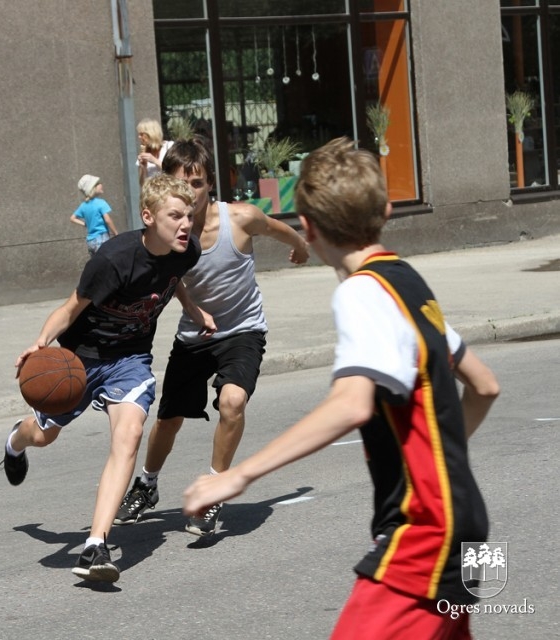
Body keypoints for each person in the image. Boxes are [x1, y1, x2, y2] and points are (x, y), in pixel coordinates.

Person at [183, 137, 500, 638]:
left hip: (421, 534)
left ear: (308, 228)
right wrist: (442, 454)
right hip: (466, 520)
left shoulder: (362, 292)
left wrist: (237, 475)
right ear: (387, 211)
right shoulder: (408, 283)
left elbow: (351, 404)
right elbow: (483, 385)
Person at [0, 173, 202, 583]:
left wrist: (195, 311)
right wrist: (41, 342)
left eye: (190, 216)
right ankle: (14, 442)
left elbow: (172, 279)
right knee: (42, 436)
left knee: (128, 437)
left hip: (130, 359)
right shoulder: (113, 259)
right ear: (149, 217)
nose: (186, 225)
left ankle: (95, 544)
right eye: (175, 216)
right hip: (80, 360)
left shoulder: (186, 251)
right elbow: (70, 308)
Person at [115, 135, 310, 536]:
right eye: (181, 183)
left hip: (242, 330)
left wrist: (302, 247)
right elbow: (168, 280)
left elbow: (277, 228)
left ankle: (214, 490)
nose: (191, 192)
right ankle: (147, 485)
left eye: (198, 182)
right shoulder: (168, 233)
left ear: (210, 184)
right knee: (168, 419)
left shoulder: (240, 218)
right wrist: (192, 309)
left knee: (232, 401)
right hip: (194, 334)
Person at [71, 174, 119, 256]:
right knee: (106, 264)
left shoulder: (83, 206)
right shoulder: (101, 203)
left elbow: (72, 218)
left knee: (97, 266)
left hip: (90, 241)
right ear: (92, 188)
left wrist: (85, 224)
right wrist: (116, 233)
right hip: (101, 238)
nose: (101, 184)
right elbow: (107, 220)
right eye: (97, 183)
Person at [137, 118, 174, 187]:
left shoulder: (169, 147)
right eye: (139, 134)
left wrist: (154, 160)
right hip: (154, 195)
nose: (139, 137)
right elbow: (142, 184)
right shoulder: (143, 152)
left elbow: (175, 171)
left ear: (151, 134)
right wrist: (143, 168)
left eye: (142, 134)